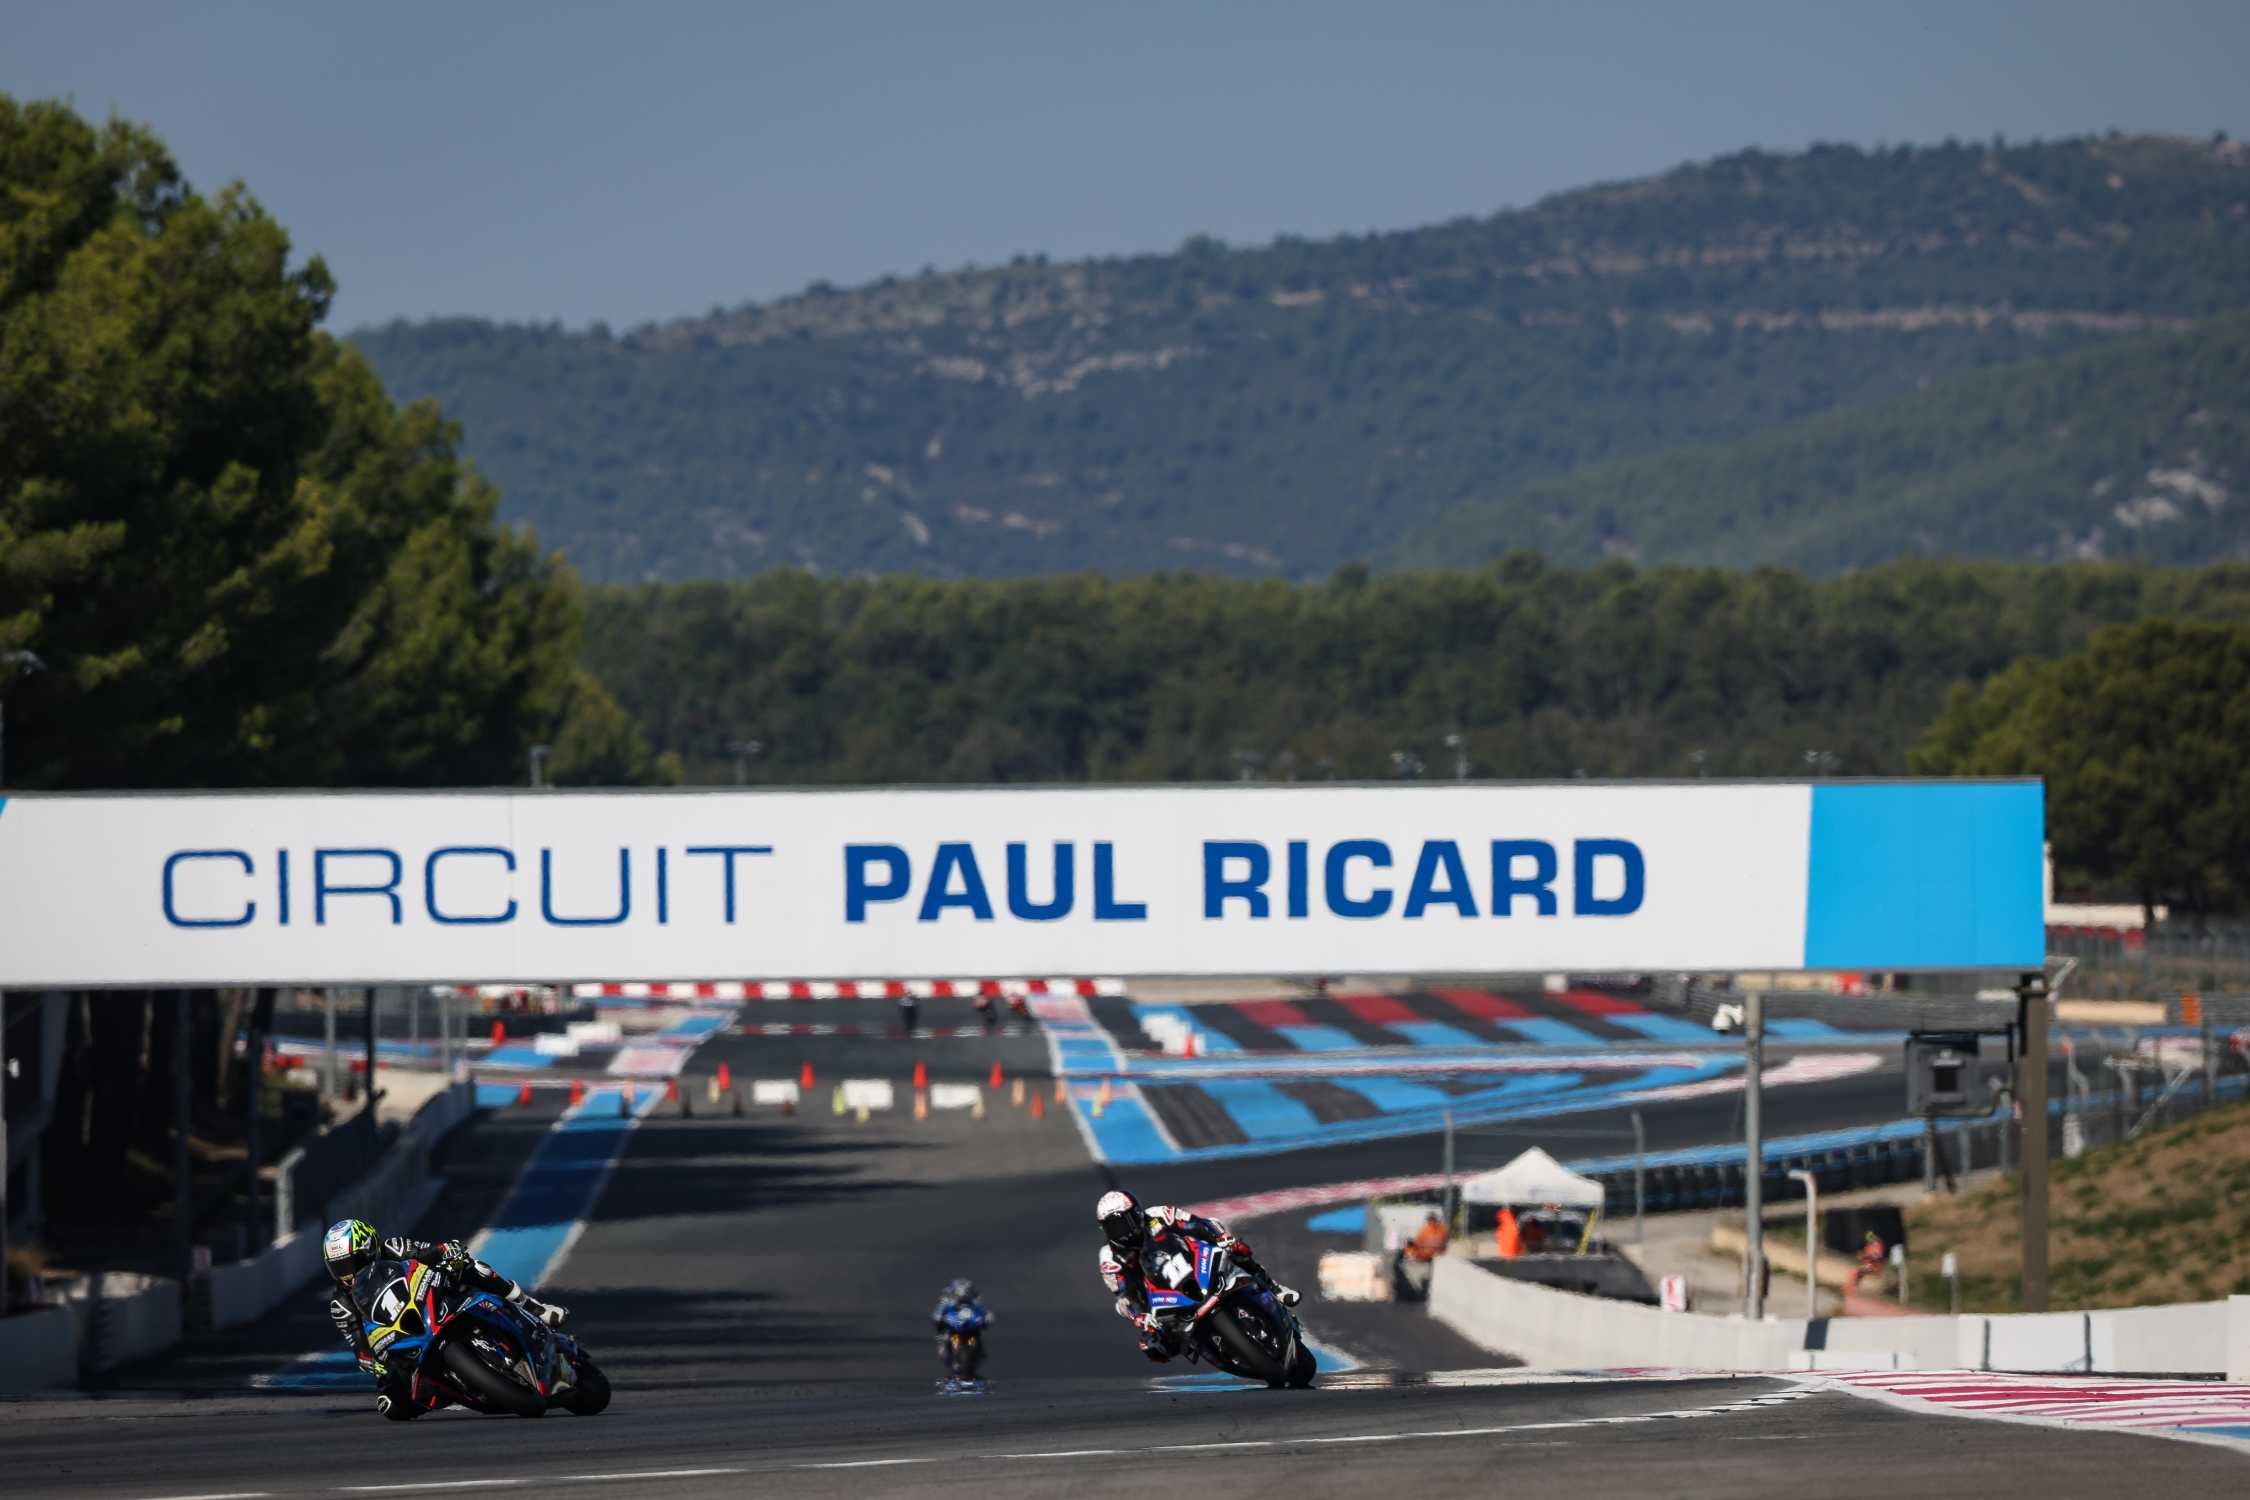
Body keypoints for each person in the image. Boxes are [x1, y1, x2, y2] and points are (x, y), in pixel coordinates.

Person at [320, 1218, 569, 1420]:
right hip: (397, 1337)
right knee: (391, 1406)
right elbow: (359, 1345)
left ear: (370, 1250)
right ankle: (448, 1391)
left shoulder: (394, 1248)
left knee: (474, 1267)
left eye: (351, 1264)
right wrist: (375, 1364)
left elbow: (429, 1251)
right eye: (339, 1268)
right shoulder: (341, 1303)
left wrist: (446, 1251)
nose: (347, 1274)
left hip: (429, 1298)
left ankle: (534, 1308)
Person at [1094, 1189, 1298, 1362]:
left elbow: (1197, 1224)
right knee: (1153, 1347)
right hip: (1161, 1296)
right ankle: (1210, 1347)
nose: (1124, 1232)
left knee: (1237, 1250)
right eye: (1114, 1227)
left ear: (1138, 1213)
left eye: (1126, 1222)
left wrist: (1222, 1238)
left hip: (1193, 1262)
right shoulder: (1109, 1258)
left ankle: (1275, 1289)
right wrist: (1140, 1317)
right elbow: (1124, 1297)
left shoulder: (1157, 1215)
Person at [931, 1276, 991, 1377]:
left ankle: (978, 1353)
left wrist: (986, 1318)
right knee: (944, 1338)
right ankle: (946, 1352)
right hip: (954, 1329)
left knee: (977, 1337)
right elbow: (938, 1313)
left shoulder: (974, 1301)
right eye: (960, 1290)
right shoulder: (947, 1301)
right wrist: (939, 1317)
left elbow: (983, 1312)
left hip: (970, 1329)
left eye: (965, 1290)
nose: (963, 1293)